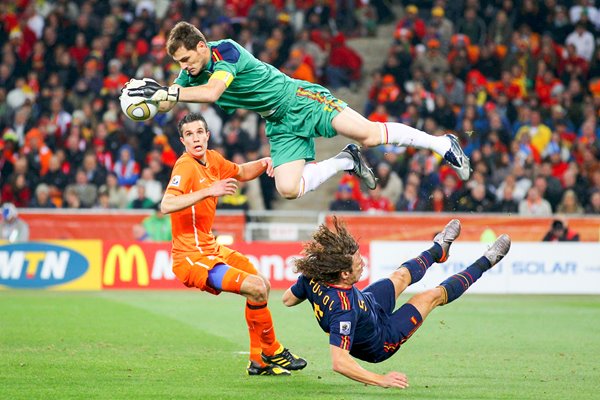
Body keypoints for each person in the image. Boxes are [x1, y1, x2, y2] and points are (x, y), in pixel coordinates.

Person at [128, 21, 471, 201]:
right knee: (289, 188)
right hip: (278, 123)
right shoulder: (187, 76)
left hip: (299, 99)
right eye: (178, 64)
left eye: (186, 59)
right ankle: (346, 161)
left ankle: (443, 144)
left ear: (201, 47)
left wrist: (170, 92)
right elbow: (174, 97)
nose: (184, 67)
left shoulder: (226, 53)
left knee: (369, 133)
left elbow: (212, 91)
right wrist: (150, 100)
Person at [282, 218, 511, 388]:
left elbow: (287, 300)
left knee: (400, 276)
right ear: (343, 274)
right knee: (429, 296)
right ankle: (487, 261)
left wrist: (310, 292)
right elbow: (339, 362)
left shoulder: (314, 277)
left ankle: (439, 249)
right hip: (382, 338)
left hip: (368, 304)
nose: (362, 263)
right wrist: (381, 380)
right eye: (357, 262)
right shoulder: (343, 310)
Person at [160, 112, 306, 376]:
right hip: (191, 257)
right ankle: (271, 350)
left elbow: (240, 172)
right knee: (255, 288)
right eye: (189, 134)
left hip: (211, 248)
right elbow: (166, 204)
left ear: (207, 135)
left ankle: (257, 362)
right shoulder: (184, 166)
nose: (196, 138)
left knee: (262, 283)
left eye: (199, 132)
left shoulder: (213, 159)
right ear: (182, 140)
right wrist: (208, 191)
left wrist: (264, 162)